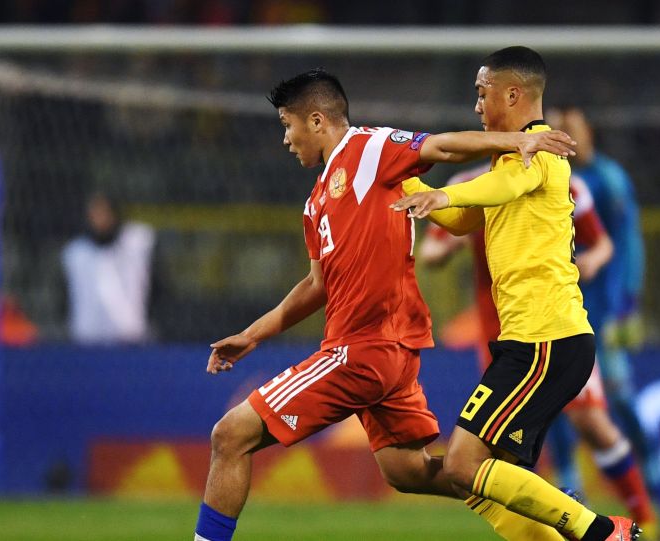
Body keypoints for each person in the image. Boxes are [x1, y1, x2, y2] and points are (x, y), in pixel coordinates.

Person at [194, 68, 581, 541]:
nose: (286, 139)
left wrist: (517, 141)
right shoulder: (316, 203)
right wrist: (252, 335)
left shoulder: (367, 148)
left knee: (230, 435)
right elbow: (316, 285)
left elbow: (440, 147)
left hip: (362, 350)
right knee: (408, 471)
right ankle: (549, 504)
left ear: (316, 120)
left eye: (287, 125)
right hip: (386, 356)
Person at [392, 46, 640, 540]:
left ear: (512, 94)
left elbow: (500, 188)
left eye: (481, 93)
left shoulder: (539, 151)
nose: (476, 106)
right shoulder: (509, 160)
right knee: (492, 480)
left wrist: (443, 192)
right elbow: (463, 219)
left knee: (462, 465)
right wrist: (397, 181)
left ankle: (601, 531)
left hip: (545, 340)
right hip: (535, 341)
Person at [418, 165, 660, 540]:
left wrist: (592, 261)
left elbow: (601, 243)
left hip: (551, 330)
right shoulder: (468, 184)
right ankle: (572, 515)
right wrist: (450, 241)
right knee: (495, 459)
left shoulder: (554, 179)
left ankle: (639, 525)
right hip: (503, 338)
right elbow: (431, 251)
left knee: (591, 424)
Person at [549, 107, 660, 521]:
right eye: (558, 128)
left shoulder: (607, 179)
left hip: (604, 310)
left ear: (588, 132)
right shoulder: (550, 179)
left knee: (620, 394)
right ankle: (569, 481)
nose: (565, 135)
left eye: (571, 128)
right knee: (555, 400)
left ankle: (656, 476)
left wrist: (628, 300)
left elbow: (626, 241)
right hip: (563, 309)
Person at [61, 193, 156, 344]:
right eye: (94, 214)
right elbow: (65, 297)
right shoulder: (76, 253)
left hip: (132, 341)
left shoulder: (139, 243)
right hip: (87, 343)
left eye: (103, 212)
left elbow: (157, 287)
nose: (99, 219)